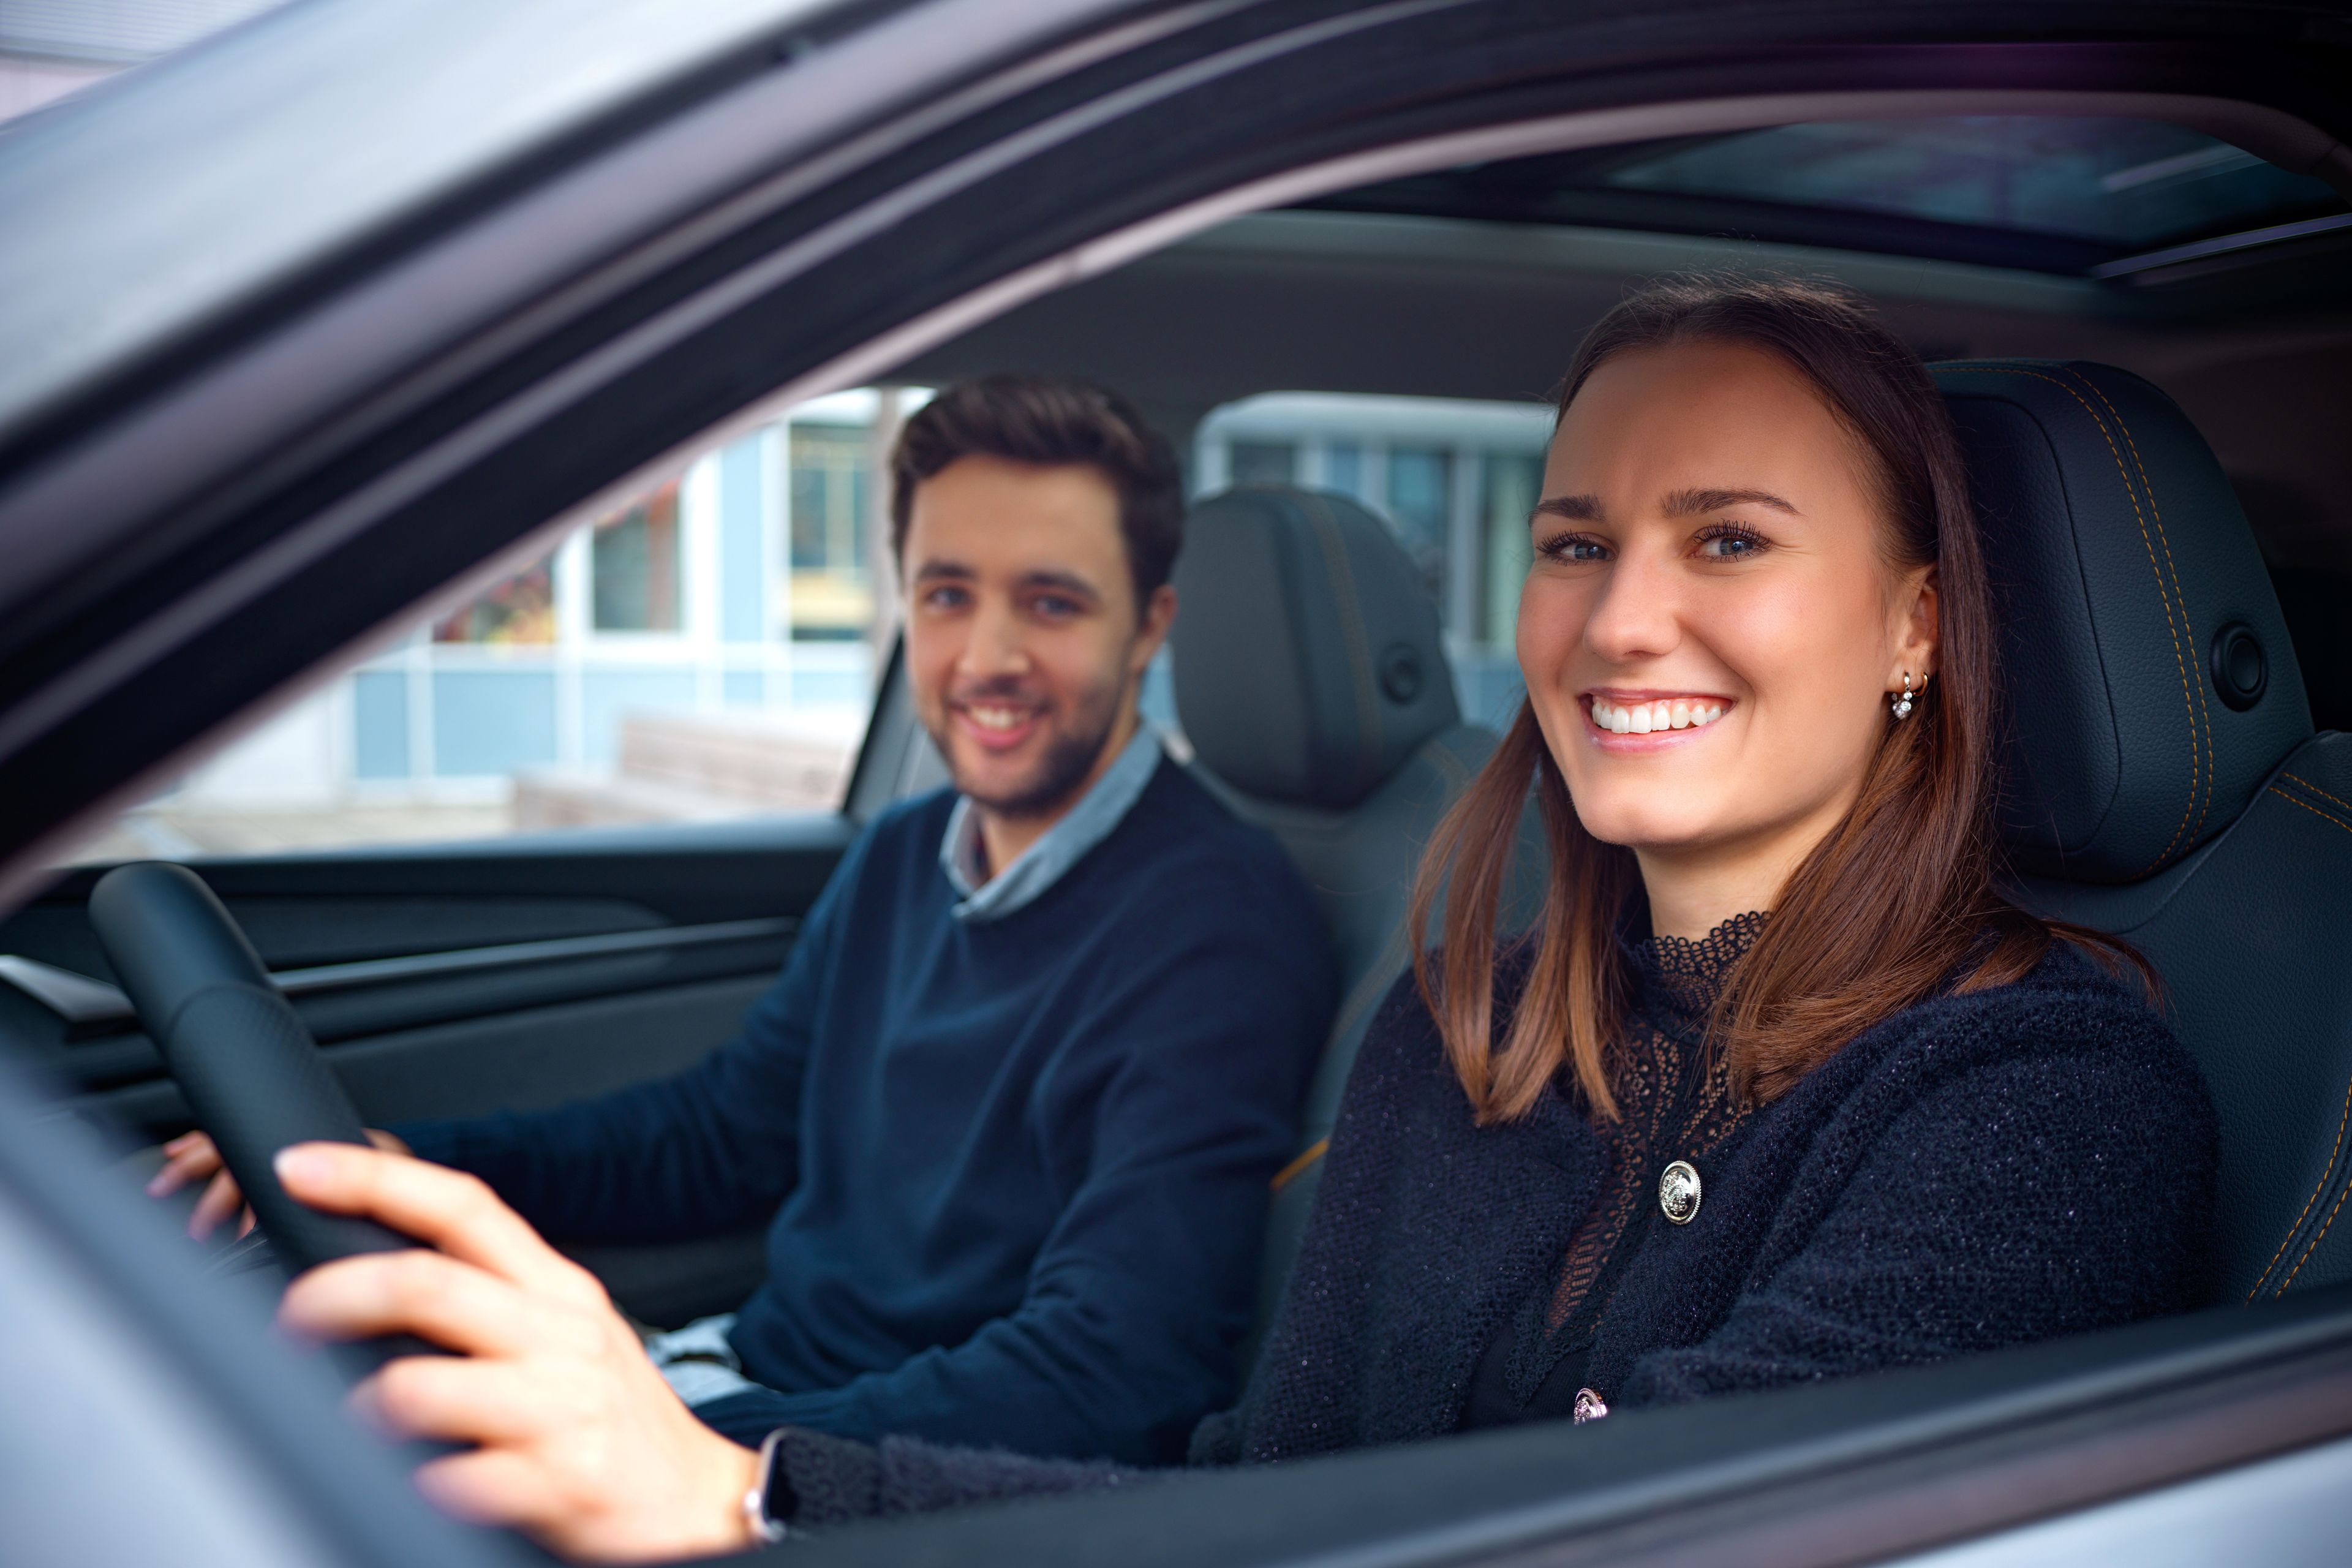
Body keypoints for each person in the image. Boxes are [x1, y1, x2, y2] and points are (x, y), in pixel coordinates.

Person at [258, 280, 2217, 1558]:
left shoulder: (2045, 1108)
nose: (1626, 617)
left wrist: (751, 1486)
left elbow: (1611, 1534)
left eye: (1728, 538)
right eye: (1576, 542)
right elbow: (1264, 1500)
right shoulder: (1467, 1030)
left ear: (1915, 625)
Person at [152, 375, 1338, 1526]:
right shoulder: (906, 851)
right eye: (946, 594)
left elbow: (1116, 1369)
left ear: (1150, 627)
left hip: (849, 1494)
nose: (987, 654)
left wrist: (715, 1454)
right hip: (730, 1388)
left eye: (1052, 603)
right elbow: (723, 1132)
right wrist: (412, 1163)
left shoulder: (1217, 927)